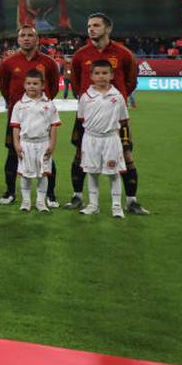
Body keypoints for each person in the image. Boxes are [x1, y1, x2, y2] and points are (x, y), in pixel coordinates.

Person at [67, 13, 145, 215]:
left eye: (96, 25)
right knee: (79, 154)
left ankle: (131, 201)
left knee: (126, 155)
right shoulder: (81, 55)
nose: (91, 29)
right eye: (89, 26)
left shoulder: (124, 54)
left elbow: (131, 81)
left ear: (108, 28)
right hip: (88, 115)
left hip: (114, 115)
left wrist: (115, 100)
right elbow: (76, 83)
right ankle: (77, 196)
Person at [0, 25, 61, 206]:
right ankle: (10, 192)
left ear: (37, 39)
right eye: (23, 35)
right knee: (13, 153)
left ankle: (50, 194)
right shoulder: (9, 63)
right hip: (17, 116)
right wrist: (18, 106)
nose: (26, 38)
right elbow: (4, 88)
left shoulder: (48, 62)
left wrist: (40, 106)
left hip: (41, 116)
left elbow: (53, 88)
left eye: (30, 35)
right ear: (18, 40)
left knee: (46, 154)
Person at [76, 60, 130, 218]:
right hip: (91, 139)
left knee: (114, 173)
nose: (101, 76)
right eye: (97, 73)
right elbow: (82, 118)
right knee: (92, 173)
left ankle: (116, 206)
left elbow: (123, 120)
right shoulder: (85, 97)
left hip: (111, 139)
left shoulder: (118, 96)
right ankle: (93, 205)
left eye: (105, 73)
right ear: (91, 76)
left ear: (112, 75)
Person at [9, 70, 60, 212]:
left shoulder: (49, 104)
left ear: (42, 85)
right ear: (24, 85)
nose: (32, 86)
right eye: (29, 83)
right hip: (26, 144)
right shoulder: (19, 105)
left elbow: (54, 126)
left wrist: (52, 144)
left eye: (35, 83)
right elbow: (16, 127)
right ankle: (26, 201)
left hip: (43, 143)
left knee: (43, 174)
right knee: (25, 174)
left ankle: (40, 202)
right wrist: (16, 144)